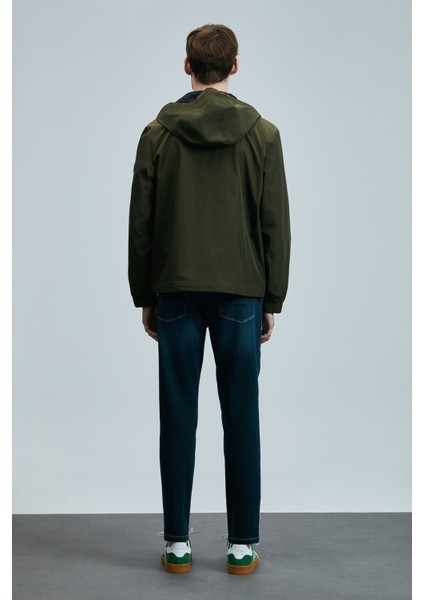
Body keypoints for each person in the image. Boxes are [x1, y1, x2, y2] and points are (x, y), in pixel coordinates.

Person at [128, 23, 291, 575]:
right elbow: (274, 223)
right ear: (235, 66)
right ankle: (242, 545)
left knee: (177, 414)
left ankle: (177, 542)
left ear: (187, 66)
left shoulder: (157, 133)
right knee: (241, 416)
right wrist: (272, 297)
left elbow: (141, 222)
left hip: (175, 287)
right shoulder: (263, 134)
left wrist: (143, 292)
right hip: (241, 291)